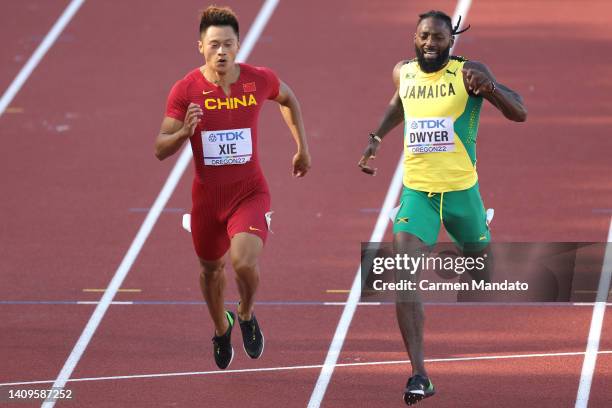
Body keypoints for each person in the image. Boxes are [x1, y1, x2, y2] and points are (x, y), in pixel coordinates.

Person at [358, 10, 527, 405]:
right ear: (414, 38)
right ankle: (419, 374)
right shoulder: (404, 72)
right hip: (418, 194)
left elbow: (520, 112)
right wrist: (376, 137)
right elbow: (400, 103)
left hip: (461, 192)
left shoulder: (469, 73)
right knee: (402, 274)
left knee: (480, 271)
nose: (429, 44)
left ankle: (480, 233)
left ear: (451, 41)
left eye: (437, 38)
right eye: (423, 37)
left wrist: (491, 89)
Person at [155, 6, 310, 370]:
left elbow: (288, 99)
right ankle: (220, 328)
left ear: (238, 44)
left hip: (249, 193)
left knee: (243, 263)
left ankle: (245, 313)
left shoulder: (258, 80)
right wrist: (182, 132)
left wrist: (302, 147)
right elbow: (160, 148)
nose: (221, 51)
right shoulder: (186, 89)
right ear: (200, 47)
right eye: (213, 45)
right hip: (207, 201)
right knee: (211, 272)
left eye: (227, 44)